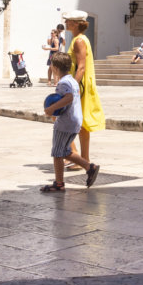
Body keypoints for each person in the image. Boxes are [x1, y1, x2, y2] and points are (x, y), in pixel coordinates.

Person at [40, 52, 100, 192]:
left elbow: (68, 98)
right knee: (65, 150)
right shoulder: (72, 80)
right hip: (74, 122)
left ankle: (59, 184)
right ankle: (89, 167)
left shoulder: (64, 82)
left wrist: (51, 109)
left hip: (65, 123)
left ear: (54, 68)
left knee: (57, 153)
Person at [62, 10, 105, 169]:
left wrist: (72, 87)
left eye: (68, 21)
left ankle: (77, 157)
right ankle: (81, 159)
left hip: (79, 86)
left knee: (63, 118)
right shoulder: (80, 39)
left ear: (75, 23)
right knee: (79, 123)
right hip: (81, 85)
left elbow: (81, 67)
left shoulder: (79, 41)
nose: (66, 23)